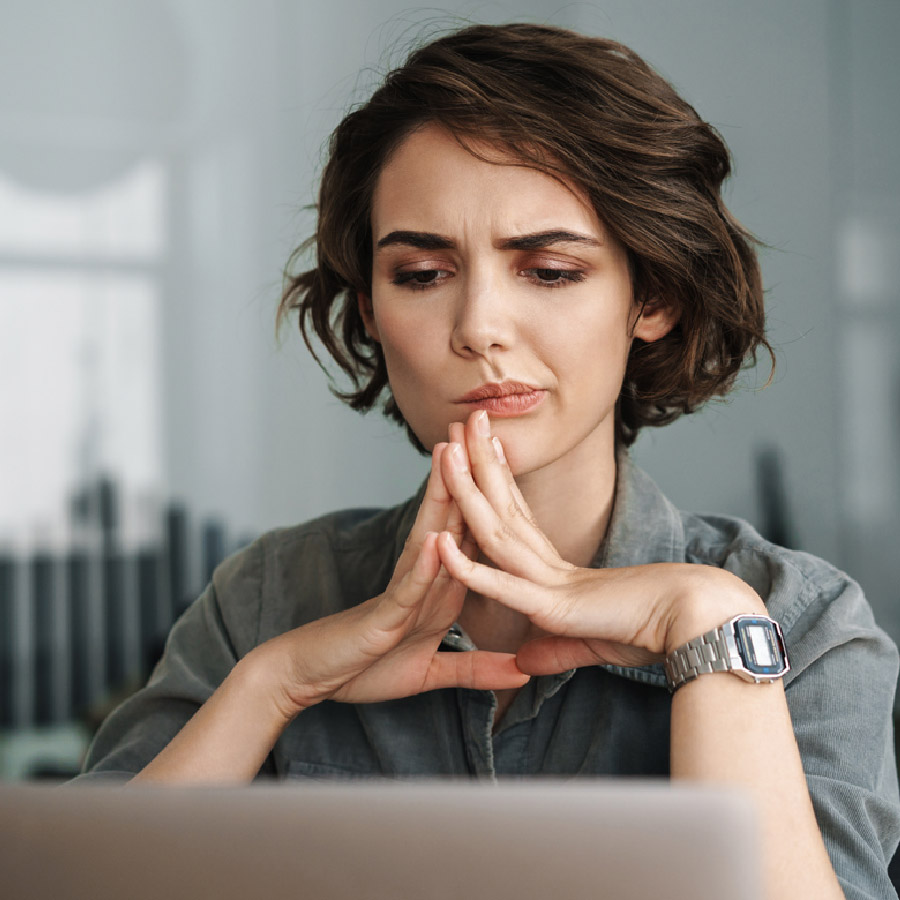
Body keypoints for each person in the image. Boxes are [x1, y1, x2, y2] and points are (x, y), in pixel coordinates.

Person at [75, 22, 899, 899]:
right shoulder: (268, 602)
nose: (477, 328)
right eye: (423, 274)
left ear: (651, 294)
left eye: (547, 270)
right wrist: (273, 686)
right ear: (371, 314)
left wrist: (703, 620)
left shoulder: (799, 630)